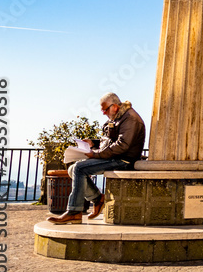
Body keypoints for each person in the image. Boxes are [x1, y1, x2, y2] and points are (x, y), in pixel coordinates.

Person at [47, 93, 146, 224]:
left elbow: (122, 146)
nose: (104, 113)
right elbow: (111, 141)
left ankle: (74, 212)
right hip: (114, 156)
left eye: (105, 110)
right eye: (102, 110)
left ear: (115, 106)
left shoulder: (130, 119)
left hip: (124, 160)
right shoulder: (118, 117)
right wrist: (93, 143)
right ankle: (98, 199)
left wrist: (95, 154)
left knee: (79, 168)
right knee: (72, 169)